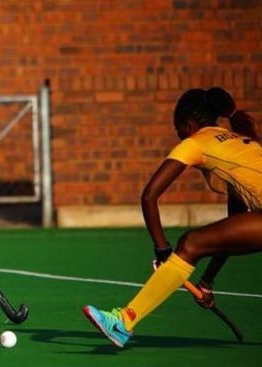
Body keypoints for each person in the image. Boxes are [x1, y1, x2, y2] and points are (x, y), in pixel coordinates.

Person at [83, 87, 262, 348]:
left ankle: (124, 321)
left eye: (176, 127)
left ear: (189, 124)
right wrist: (206, 282)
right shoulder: (238, 144)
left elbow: (149, 196)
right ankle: (125, 321)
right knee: (193, 244)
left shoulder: (195, 142)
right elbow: (231, 233)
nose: (176, 134)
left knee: (190, 243)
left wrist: (162, 248)